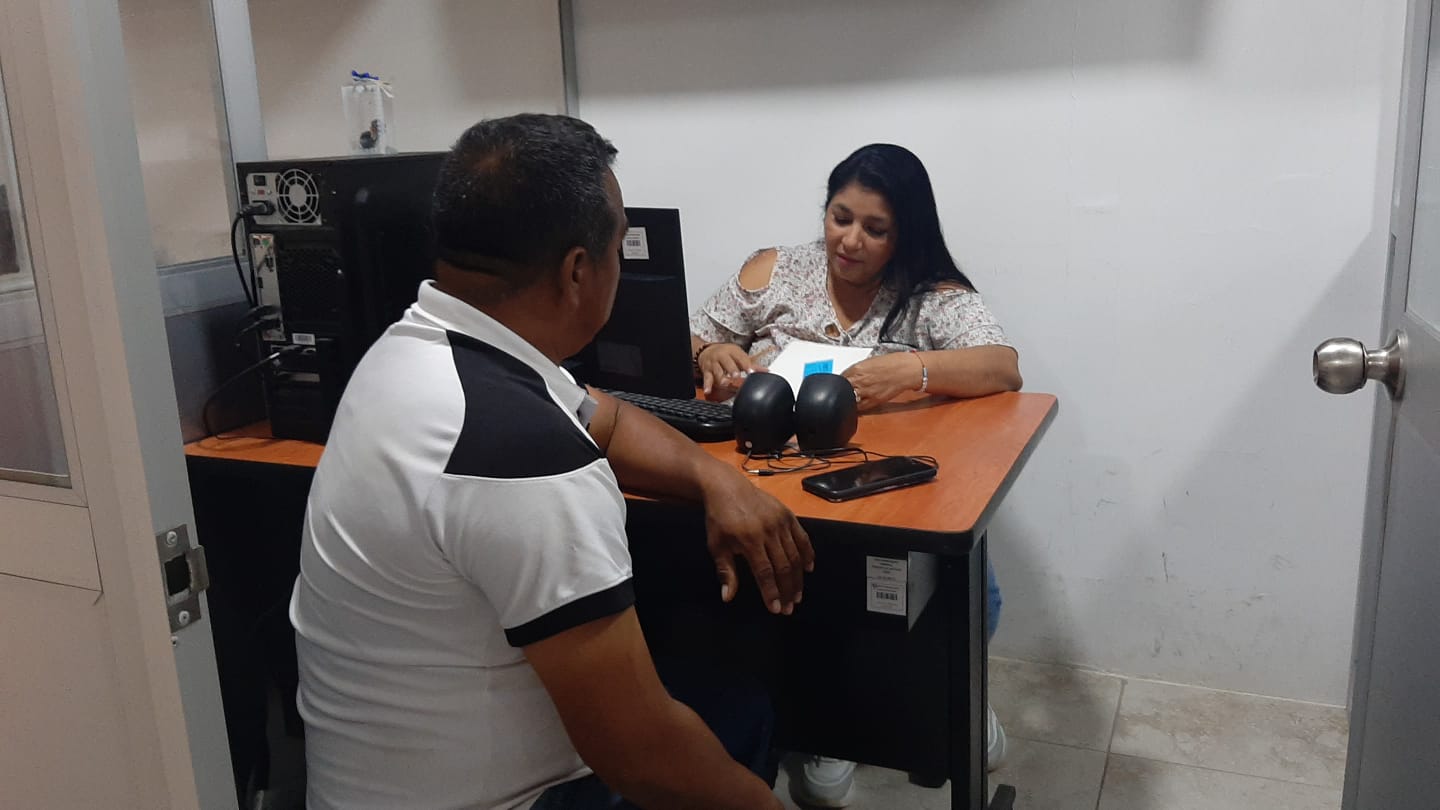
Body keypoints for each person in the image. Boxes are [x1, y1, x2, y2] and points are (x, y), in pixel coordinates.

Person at [289, 113, 815, 810]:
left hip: (368, 787)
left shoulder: (412, 353)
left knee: (714, 696)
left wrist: (714, 477)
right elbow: (644, 761)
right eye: (618, 245)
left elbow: (607, 418)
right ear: (577, 271)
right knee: (732, 716)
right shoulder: (524, 455)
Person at [689, 143, 1022, 808]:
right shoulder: (775, 269)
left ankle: (956, 691)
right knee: (796, 607)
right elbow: (693, 331)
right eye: (840, 218)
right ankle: (827, 721)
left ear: (905, 234)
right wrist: (711, 350)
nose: (850, 240)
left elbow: (1003, 366)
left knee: (956, 595)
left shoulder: (929, 294)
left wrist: (914, 370)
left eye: (875, 228)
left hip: (884, 487)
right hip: (773, 479)